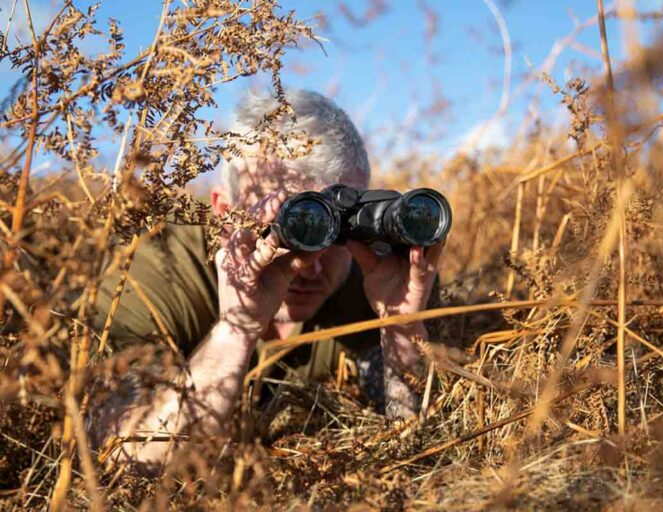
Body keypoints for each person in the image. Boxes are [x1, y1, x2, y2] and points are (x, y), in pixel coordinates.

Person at [89, 89, 443, 469]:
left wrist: (401, 327)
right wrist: (235, 329)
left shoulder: (384, 274)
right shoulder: (158, 273)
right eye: (294, 229)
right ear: (225, 212)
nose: (311, 266)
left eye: (336, 233)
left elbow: (417, 446)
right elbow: (129, 455)